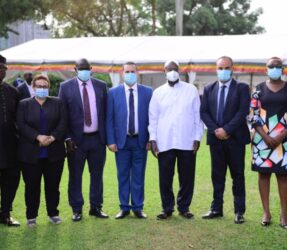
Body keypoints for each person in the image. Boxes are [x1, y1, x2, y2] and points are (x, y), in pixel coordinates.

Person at [148, 60, 203, 220]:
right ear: (164, 70)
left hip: (187, 140)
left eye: (175, 69)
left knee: (187, 176)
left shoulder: (191, 90)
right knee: (165, 177)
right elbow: (153, 118)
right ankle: (167, 208)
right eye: (169, 69)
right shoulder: (157, 93)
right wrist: (153, 139)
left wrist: (197, 137)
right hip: (165, 141)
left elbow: (197, 116)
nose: (172, 71)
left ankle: (184, 207)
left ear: (179, 71)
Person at [249, 57, 287, 228]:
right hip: (262, 139)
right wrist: (265, 136)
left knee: (283, 176)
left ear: (283, 69)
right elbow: (253, 115)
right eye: (272, 66)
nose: (275, 68)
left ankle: (283, 215)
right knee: (263, 175)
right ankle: (266, 212)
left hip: (284, 141)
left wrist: (279, 136)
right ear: (266, 69)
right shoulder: (258, 89)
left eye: (278, 66)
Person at [200, 56, 250, 224]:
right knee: (217, 175)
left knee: (237, 175)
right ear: (216, 69)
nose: (223, 71)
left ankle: (239, 211)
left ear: (232, 69)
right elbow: (204, 112)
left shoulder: (242, 88)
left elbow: (242, 112)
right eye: (220, 68)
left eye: (226, 68)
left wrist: (227, 129)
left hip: (235, 139)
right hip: (216, 140)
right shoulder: (208, 88)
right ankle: (216, 208)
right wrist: (216, 130)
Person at [58, 58, 109, 222]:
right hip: (76, 141)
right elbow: (62, 115)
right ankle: (77, 209)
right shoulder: (65, 87)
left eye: (87, 68)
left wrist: (106, 138)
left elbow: (106, 113)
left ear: (91, 69)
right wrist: (67, 138)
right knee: (75, 176)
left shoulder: (101, 86)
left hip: (97, 139)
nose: (84, 71)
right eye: (81, 68)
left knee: (97, 175)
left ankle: (96, 207)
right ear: (75, 69)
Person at [17, 75, 67, 227]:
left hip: (54, 153)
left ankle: (53, 213)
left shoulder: (58, 103)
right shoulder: (24, 104)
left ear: (49, 87)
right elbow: (21, 125)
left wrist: (51, 138)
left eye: (45, 86)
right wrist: (37, 137)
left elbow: (63, 123)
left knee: (53, 186)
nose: (42, 89)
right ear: (33, 87)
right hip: (30, 154)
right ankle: (31, 216)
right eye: (39, 86)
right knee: (32, 187)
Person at [106, 62, 152, 219]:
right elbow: (109, 119)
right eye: (127, 71)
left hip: (141, 141)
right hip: (121, 142)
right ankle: (124, 207)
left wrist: (150, 139)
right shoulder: (113, 93)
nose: (130, 74)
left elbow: (152, 118)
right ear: (121, 73)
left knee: (139, 175)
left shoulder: (147, 92)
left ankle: (138, 207)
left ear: (137, 73)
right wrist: (111, 141)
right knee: (123, 175)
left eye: (133, 71)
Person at [0, 55, 21, 227]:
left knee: (12, 179)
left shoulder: (13, 92)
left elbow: (18, 120)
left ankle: (5, 213)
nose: (1, 71)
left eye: (3, 68)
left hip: (10, 146)